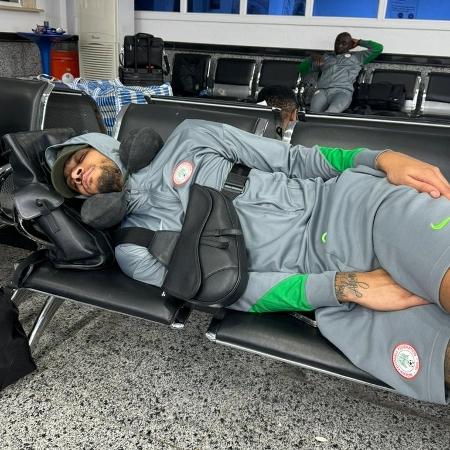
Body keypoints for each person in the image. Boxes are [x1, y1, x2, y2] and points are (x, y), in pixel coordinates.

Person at [45, 120, 450, 404]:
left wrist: (380, 158)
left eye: (80, 159)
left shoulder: (191, 137)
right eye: (73, 181)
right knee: (438, 358)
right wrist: (340, 287)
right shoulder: (134, 249)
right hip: (323, 280)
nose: (78, 173)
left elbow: (295, 160)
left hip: (352, 205)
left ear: (105, 144)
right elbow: (228, 294)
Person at [298, 32, 383, 113]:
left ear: (350, 45)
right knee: (313, 114)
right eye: (337, 42)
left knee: (331, 112)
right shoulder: (325, 57)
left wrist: (359, 42)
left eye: (344, 43)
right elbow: (301, 69)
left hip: (342, 92)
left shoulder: (357, 57)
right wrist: (312, 58)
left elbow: (378, 48)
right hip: (322, 91)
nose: (339, 45)